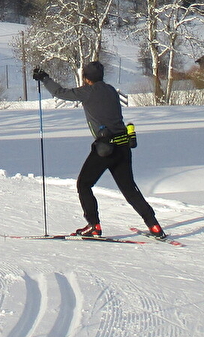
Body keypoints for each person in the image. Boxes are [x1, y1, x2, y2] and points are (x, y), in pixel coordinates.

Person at [33, 61, 166, 239]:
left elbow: (60, 93)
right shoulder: (111, 90)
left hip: (105, 148)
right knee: (129, 189)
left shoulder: (87, 92)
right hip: (123, 146)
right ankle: (154, 226)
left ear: (86, 78)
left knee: (84, 184)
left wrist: (44, 78)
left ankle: (94, 225)